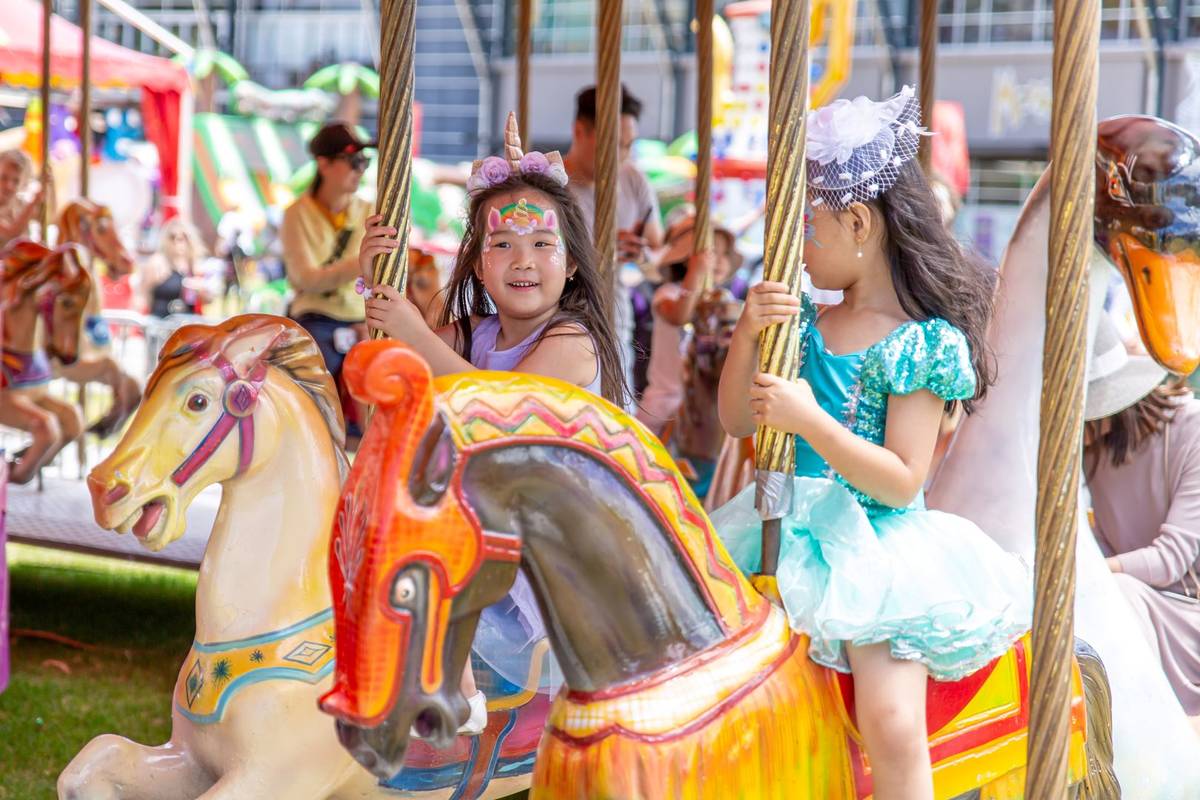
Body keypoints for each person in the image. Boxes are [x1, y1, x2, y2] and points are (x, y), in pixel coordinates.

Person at [711, 87, 1030, 800]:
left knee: (890, 719)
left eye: (807, 228)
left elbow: (903, 478)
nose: (796, 248)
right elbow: (735, 420)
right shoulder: (804, 325)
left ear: (857, 222)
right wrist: (748, 333)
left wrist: (809, 421)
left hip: (873, 551)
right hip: (779, 531)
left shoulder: (920, 343)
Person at [359, 113, 628, 733]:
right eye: (502, 244)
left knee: (442, 526)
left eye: (542, 245)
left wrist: (412, 332)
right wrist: (377, 281)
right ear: (479, 265)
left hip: (550, 527)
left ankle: (462, 695)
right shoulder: (474, 333)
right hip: (487, 507)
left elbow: (495, 406)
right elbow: (399, 362)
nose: (522, 260)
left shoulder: (573, 342)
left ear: (571, 263)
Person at [1084, 313, 1200, 730]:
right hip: (1132, 607)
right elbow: (1101, 541)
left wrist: (1093, 573)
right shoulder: (1093, 453)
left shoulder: (1191, 428)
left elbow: (1171, 559)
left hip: (1185, 611)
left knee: (1114, 594)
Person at [561, 85, 664, 399]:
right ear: (580, 131)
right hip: (561, 322)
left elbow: (657, 260)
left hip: (615, 322)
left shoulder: (633, 180)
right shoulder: (552, 186)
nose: (622, 155)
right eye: (613, 145)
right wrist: (598, 254)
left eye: (628, 145)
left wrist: (640, 256)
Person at [280, 122, 373, 395]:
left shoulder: (371, 210)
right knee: (311, 388)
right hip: (318, 318)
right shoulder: (296, 214)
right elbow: (304, 278)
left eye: (364, 162)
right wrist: (360, 262)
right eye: (353, 161)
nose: (360, 169)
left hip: (364, 318)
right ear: (324, 164)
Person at [637, 204, 742, 435]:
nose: (720, 260)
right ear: (687, 258)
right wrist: (697, 273)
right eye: (713, 253)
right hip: (668, 398)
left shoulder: (723, 300)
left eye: (725, 254)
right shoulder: (667, 294)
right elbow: (679, 315)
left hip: (708, 402)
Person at [138, 219, 221, 317]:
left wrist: (201, 290)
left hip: (188, 322)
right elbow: (142, 294)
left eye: (183, 236)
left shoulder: (195, 266)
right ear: (165, 239)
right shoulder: (158, 263)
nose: (178, 240)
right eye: (172, 236)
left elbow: (209, 300)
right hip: (160, 322)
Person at [0, 149, 43, 246]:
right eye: (3, 177)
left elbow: (50, 217)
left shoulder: (21, 205)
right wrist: (35, 201)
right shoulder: (28, 207)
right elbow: (11, 234)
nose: (9, 186)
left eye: (16, 181)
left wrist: (49, 188)